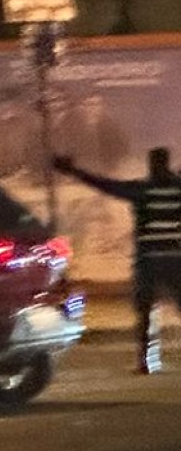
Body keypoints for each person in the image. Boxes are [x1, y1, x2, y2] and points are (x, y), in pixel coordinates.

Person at [56, 149, 181, 374]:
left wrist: (73, 171)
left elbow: (107, 185)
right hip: (174, 258)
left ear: (151, 165)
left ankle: (146, 361)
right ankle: (146, 361)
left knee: (145, 311)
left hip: (148, 261)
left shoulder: (142, 189)